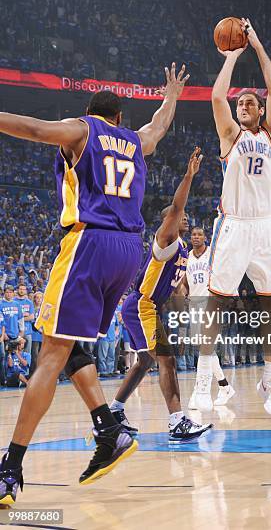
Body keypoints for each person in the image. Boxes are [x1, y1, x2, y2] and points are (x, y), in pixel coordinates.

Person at [0, 62, 189, 505]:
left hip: (89, 242)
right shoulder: (136, 142)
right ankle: (108, 430)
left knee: (49, 353)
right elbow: (159, 126)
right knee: (71, 347)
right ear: (120, 118)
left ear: (91, 114)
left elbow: (34, 128)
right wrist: (172, 96)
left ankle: (9, 469)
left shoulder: (81, 130)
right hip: (129, 250)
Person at [195, 19, 271, 416]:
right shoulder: (230, 137)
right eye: (240, 103)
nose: (242, 106)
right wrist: (232, 56)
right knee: (216, 303)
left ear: (261, 109)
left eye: (250, 103)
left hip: (265, 227)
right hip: (232, 226)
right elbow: (217, 98)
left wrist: (258, 44)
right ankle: (202, 381)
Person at [108, 148, 212, 441]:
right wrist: (189, 175)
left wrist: (186, 297)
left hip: (146, 306)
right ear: (169, 221)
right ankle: (177, 422)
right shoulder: (166, 239)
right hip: (141, 305)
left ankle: (115, 410)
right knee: (166, 359)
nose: (186, 220)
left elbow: (177, 286)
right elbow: (177, 206)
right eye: (182, 218)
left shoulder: (182, 252)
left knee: (145, 361)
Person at [184, 226, 235, 409]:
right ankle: (224, 386)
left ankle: (198, 392)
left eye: (199, 235)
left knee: (205, 347)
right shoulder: (187, 257)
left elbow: (225, 274)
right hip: (194, 304)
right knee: (203, 347)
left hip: (210, 303)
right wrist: (183, 294)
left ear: (205, 238)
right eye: (193, 235)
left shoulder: (212, 255)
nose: (196, 237)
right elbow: (184, 282)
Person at [14, 284, 34, 356]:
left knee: (27, 354)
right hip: (15, 332)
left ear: (26, 291)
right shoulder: (13, 302)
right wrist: (25, 315)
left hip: (27, 332)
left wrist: (19, 318)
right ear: (17, 290)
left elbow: (31, 317)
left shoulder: (29, 302)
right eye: (20, 289)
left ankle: (26, 367)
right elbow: (13, 317)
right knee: (15, 353)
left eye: (23, 289)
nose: (22, 291)